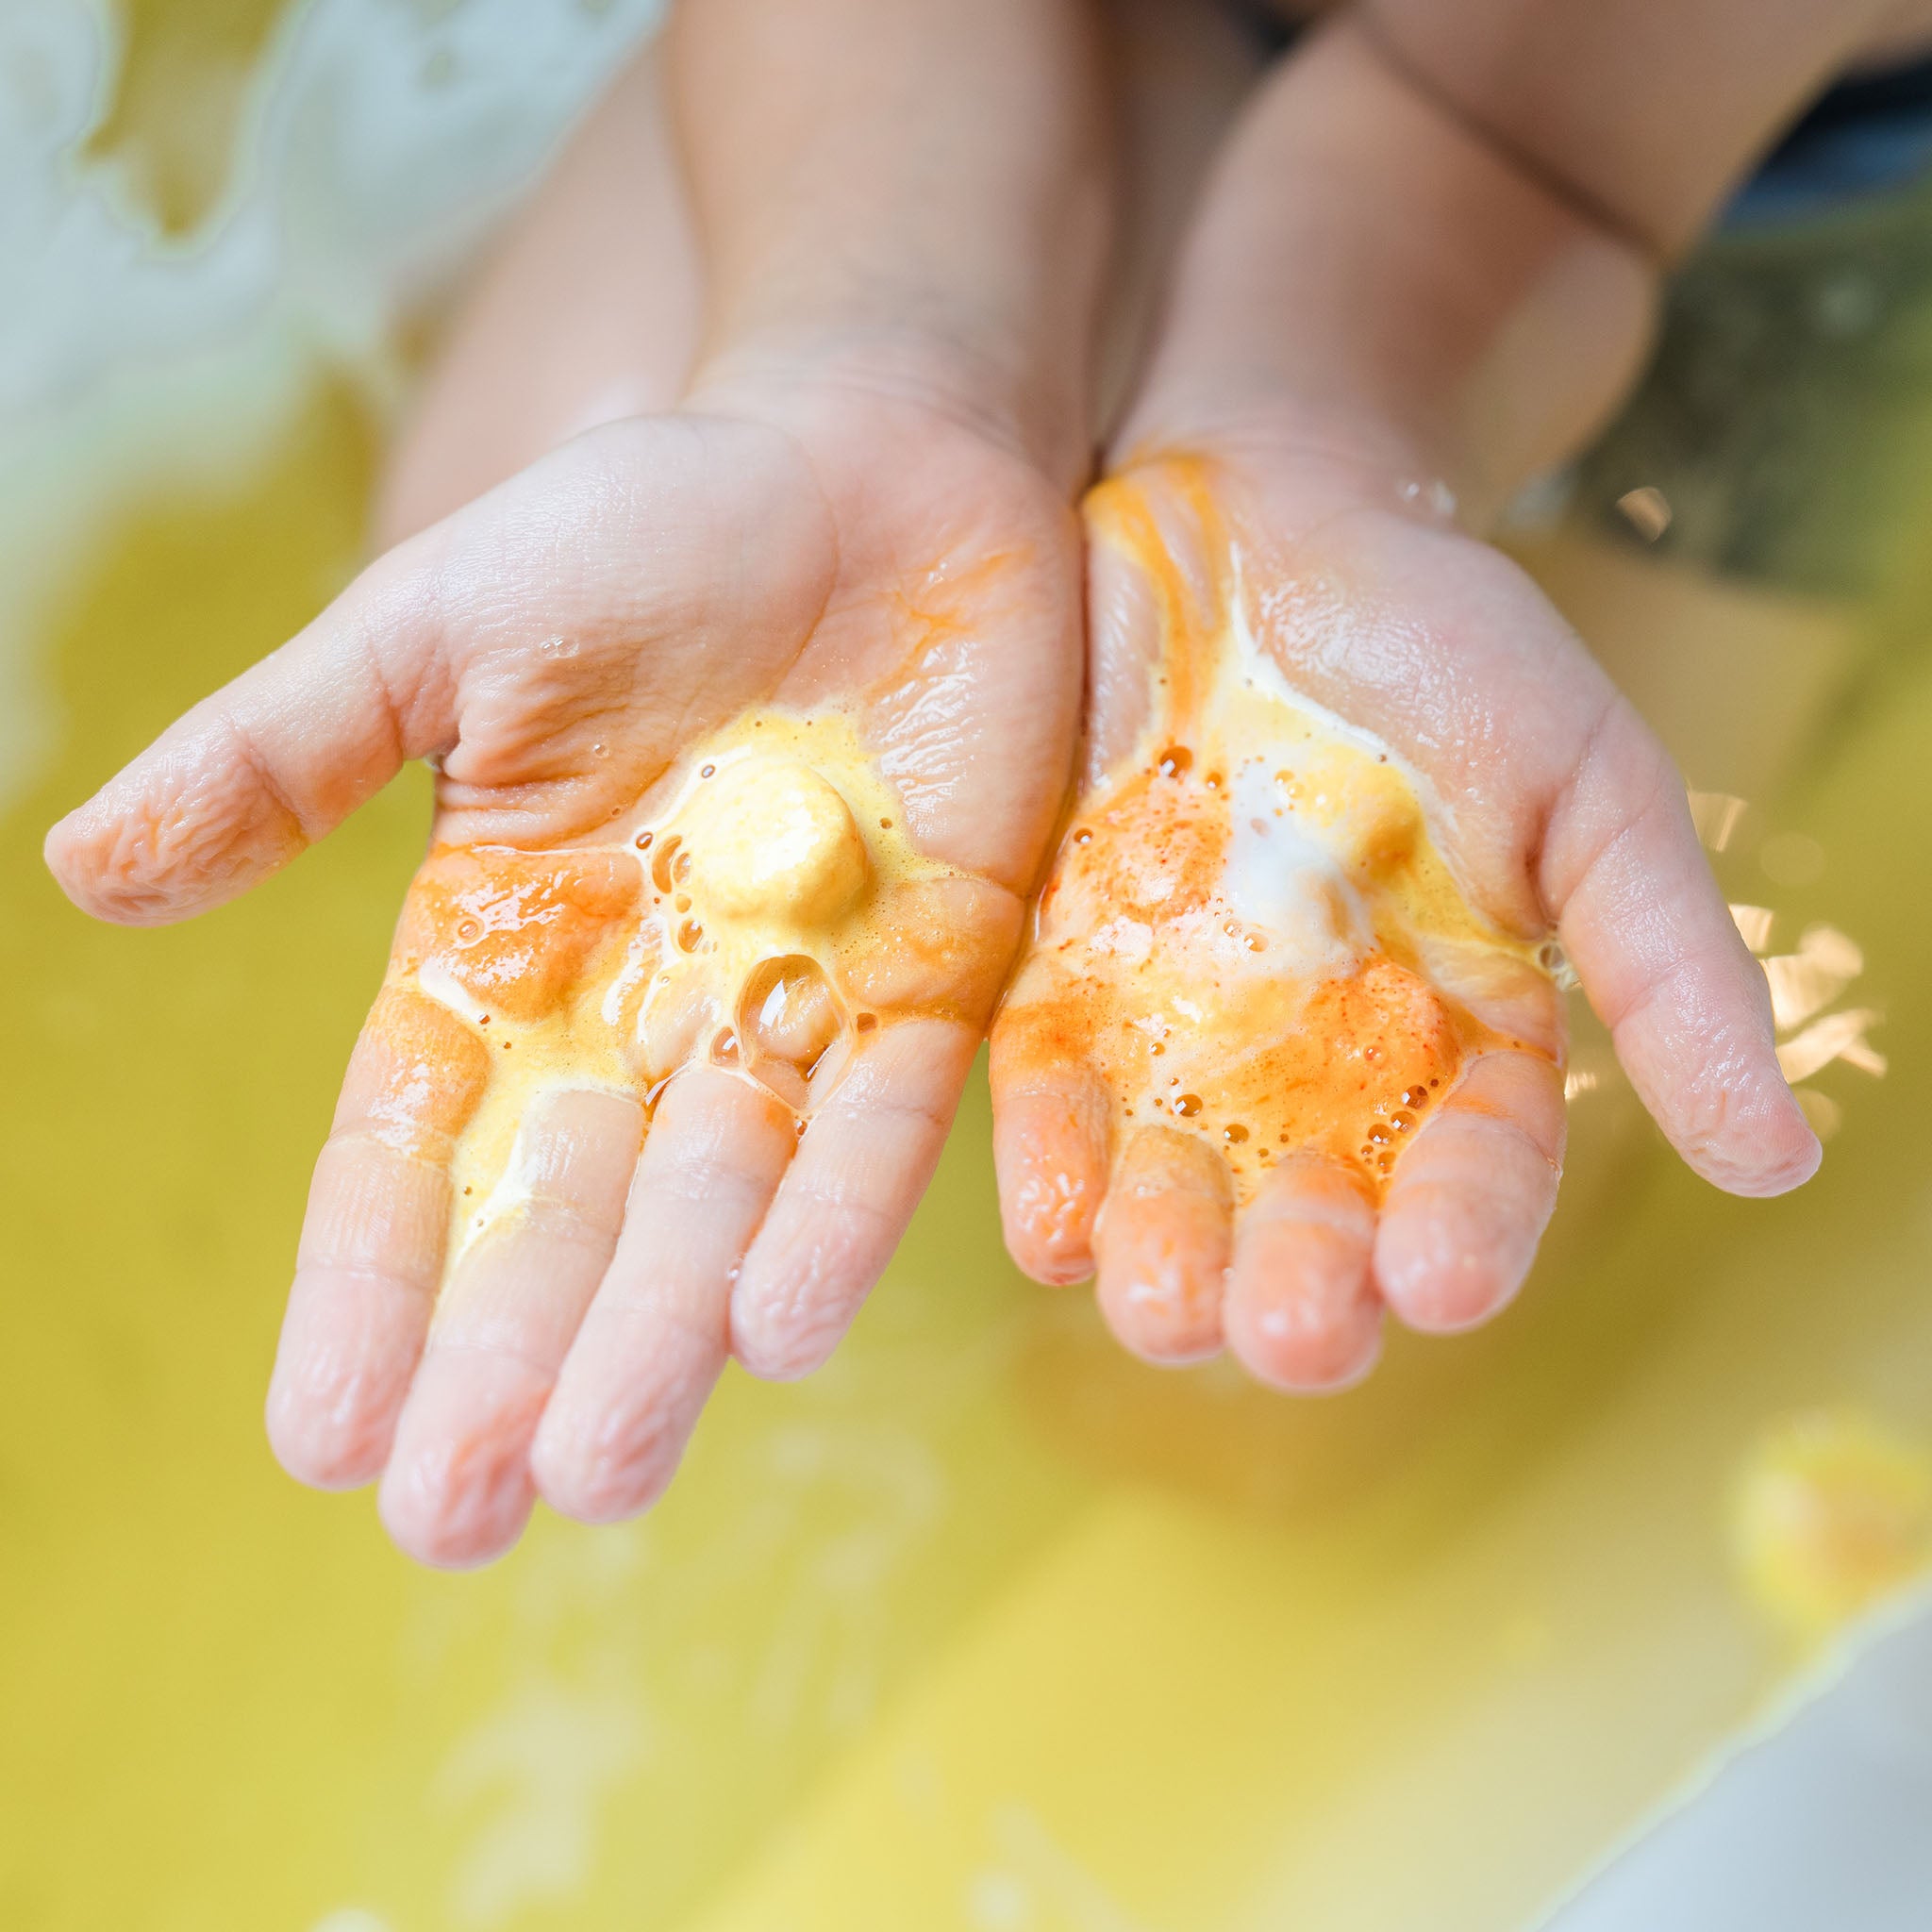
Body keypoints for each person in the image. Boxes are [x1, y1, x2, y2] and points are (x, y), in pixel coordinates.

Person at [42, 0, 1932, 1567]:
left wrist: (1295, 460)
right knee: (525, 512)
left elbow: (1497, 147)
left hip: (1679, 163)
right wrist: (870, 377)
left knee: (1303, 1319)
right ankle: (1077, 212)